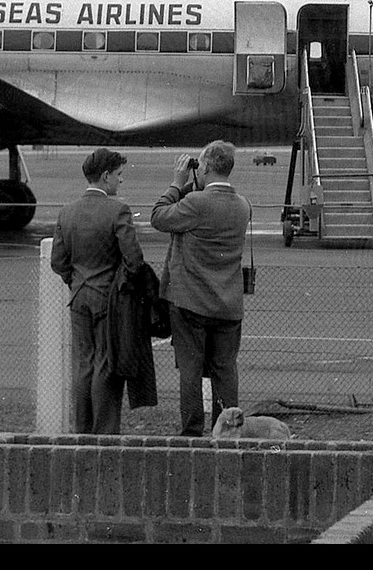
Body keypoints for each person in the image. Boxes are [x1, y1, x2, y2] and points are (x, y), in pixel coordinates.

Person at [150, 139, 250, 436]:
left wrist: (177, 183)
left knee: (191, 370)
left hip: (190, 301)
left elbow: (159, 216)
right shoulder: (243, 206)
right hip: (229, 303)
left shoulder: (194, 203)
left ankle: (192, 430)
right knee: (224, 369)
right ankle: (227, 430)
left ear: (204, 167)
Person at [50, 147, 144, 434]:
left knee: (84, 364)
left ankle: (83, 428)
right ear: (105, 176)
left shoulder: (67, 212)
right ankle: (105, 433)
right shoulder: (118, 210)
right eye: (118, 175)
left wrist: (77, 281)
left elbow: (57, 261)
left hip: (79, 295)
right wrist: (119, 284)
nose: (120, 181)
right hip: (109, 298)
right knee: (106, 364)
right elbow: (134, 259)